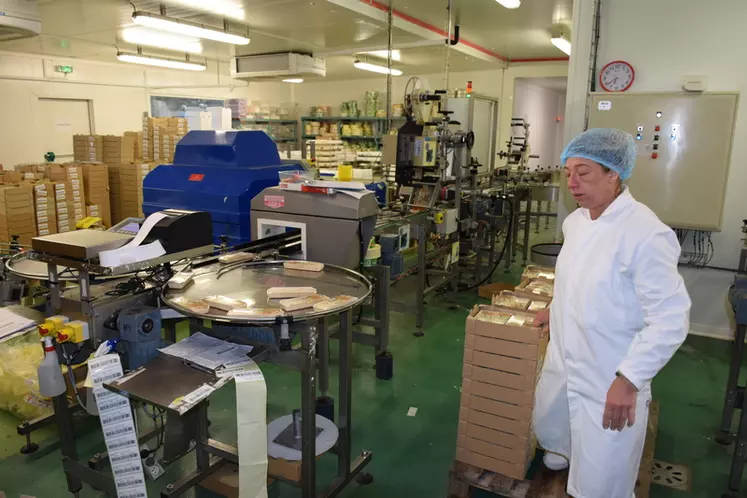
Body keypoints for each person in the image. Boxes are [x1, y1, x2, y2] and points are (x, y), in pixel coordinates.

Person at [532, 128, 691, 498]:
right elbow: (579, 282)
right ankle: (562, 461)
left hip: (609, 374)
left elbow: (670, 319)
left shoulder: (645, 234)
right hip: (566, 363)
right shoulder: (576, 222)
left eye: (583, 173)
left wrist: (629, 379)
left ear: (613, 174)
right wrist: (553, 309)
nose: (572, 182)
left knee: (603, 481)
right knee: (557, 433)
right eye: (567, 172)